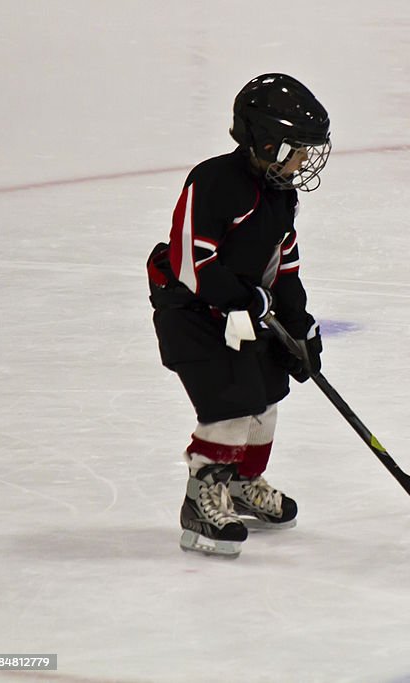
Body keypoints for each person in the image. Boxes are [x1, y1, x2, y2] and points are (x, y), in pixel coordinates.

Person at [146, 73, 330, 557]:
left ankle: (244, 482)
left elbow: (282, 266)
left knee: (268, 390)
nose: (303, 160)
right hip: (187, 307)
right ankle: (201, 497)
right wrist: (246, 300)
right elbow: (191, 261)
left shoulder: (281, 194)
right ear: (264, 141)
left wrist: (299, 324)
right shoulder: (214, 181)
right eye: (296, 148)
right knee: (231, 399)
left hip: (237, 309)